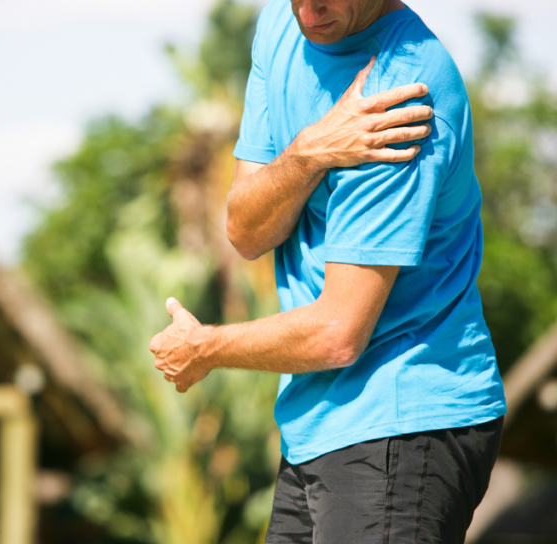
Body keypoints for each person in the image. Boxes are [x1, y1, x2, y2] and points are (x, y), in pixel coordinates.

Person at [149, 0, 507, 541]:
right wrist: (309, 152)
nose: (310, 8)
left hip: (404, 418)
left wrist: (205, 349)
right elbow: (247, 231)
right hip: (318, 426)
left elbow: (338, 333)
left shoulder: (402, 94)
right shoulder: (280, 24)